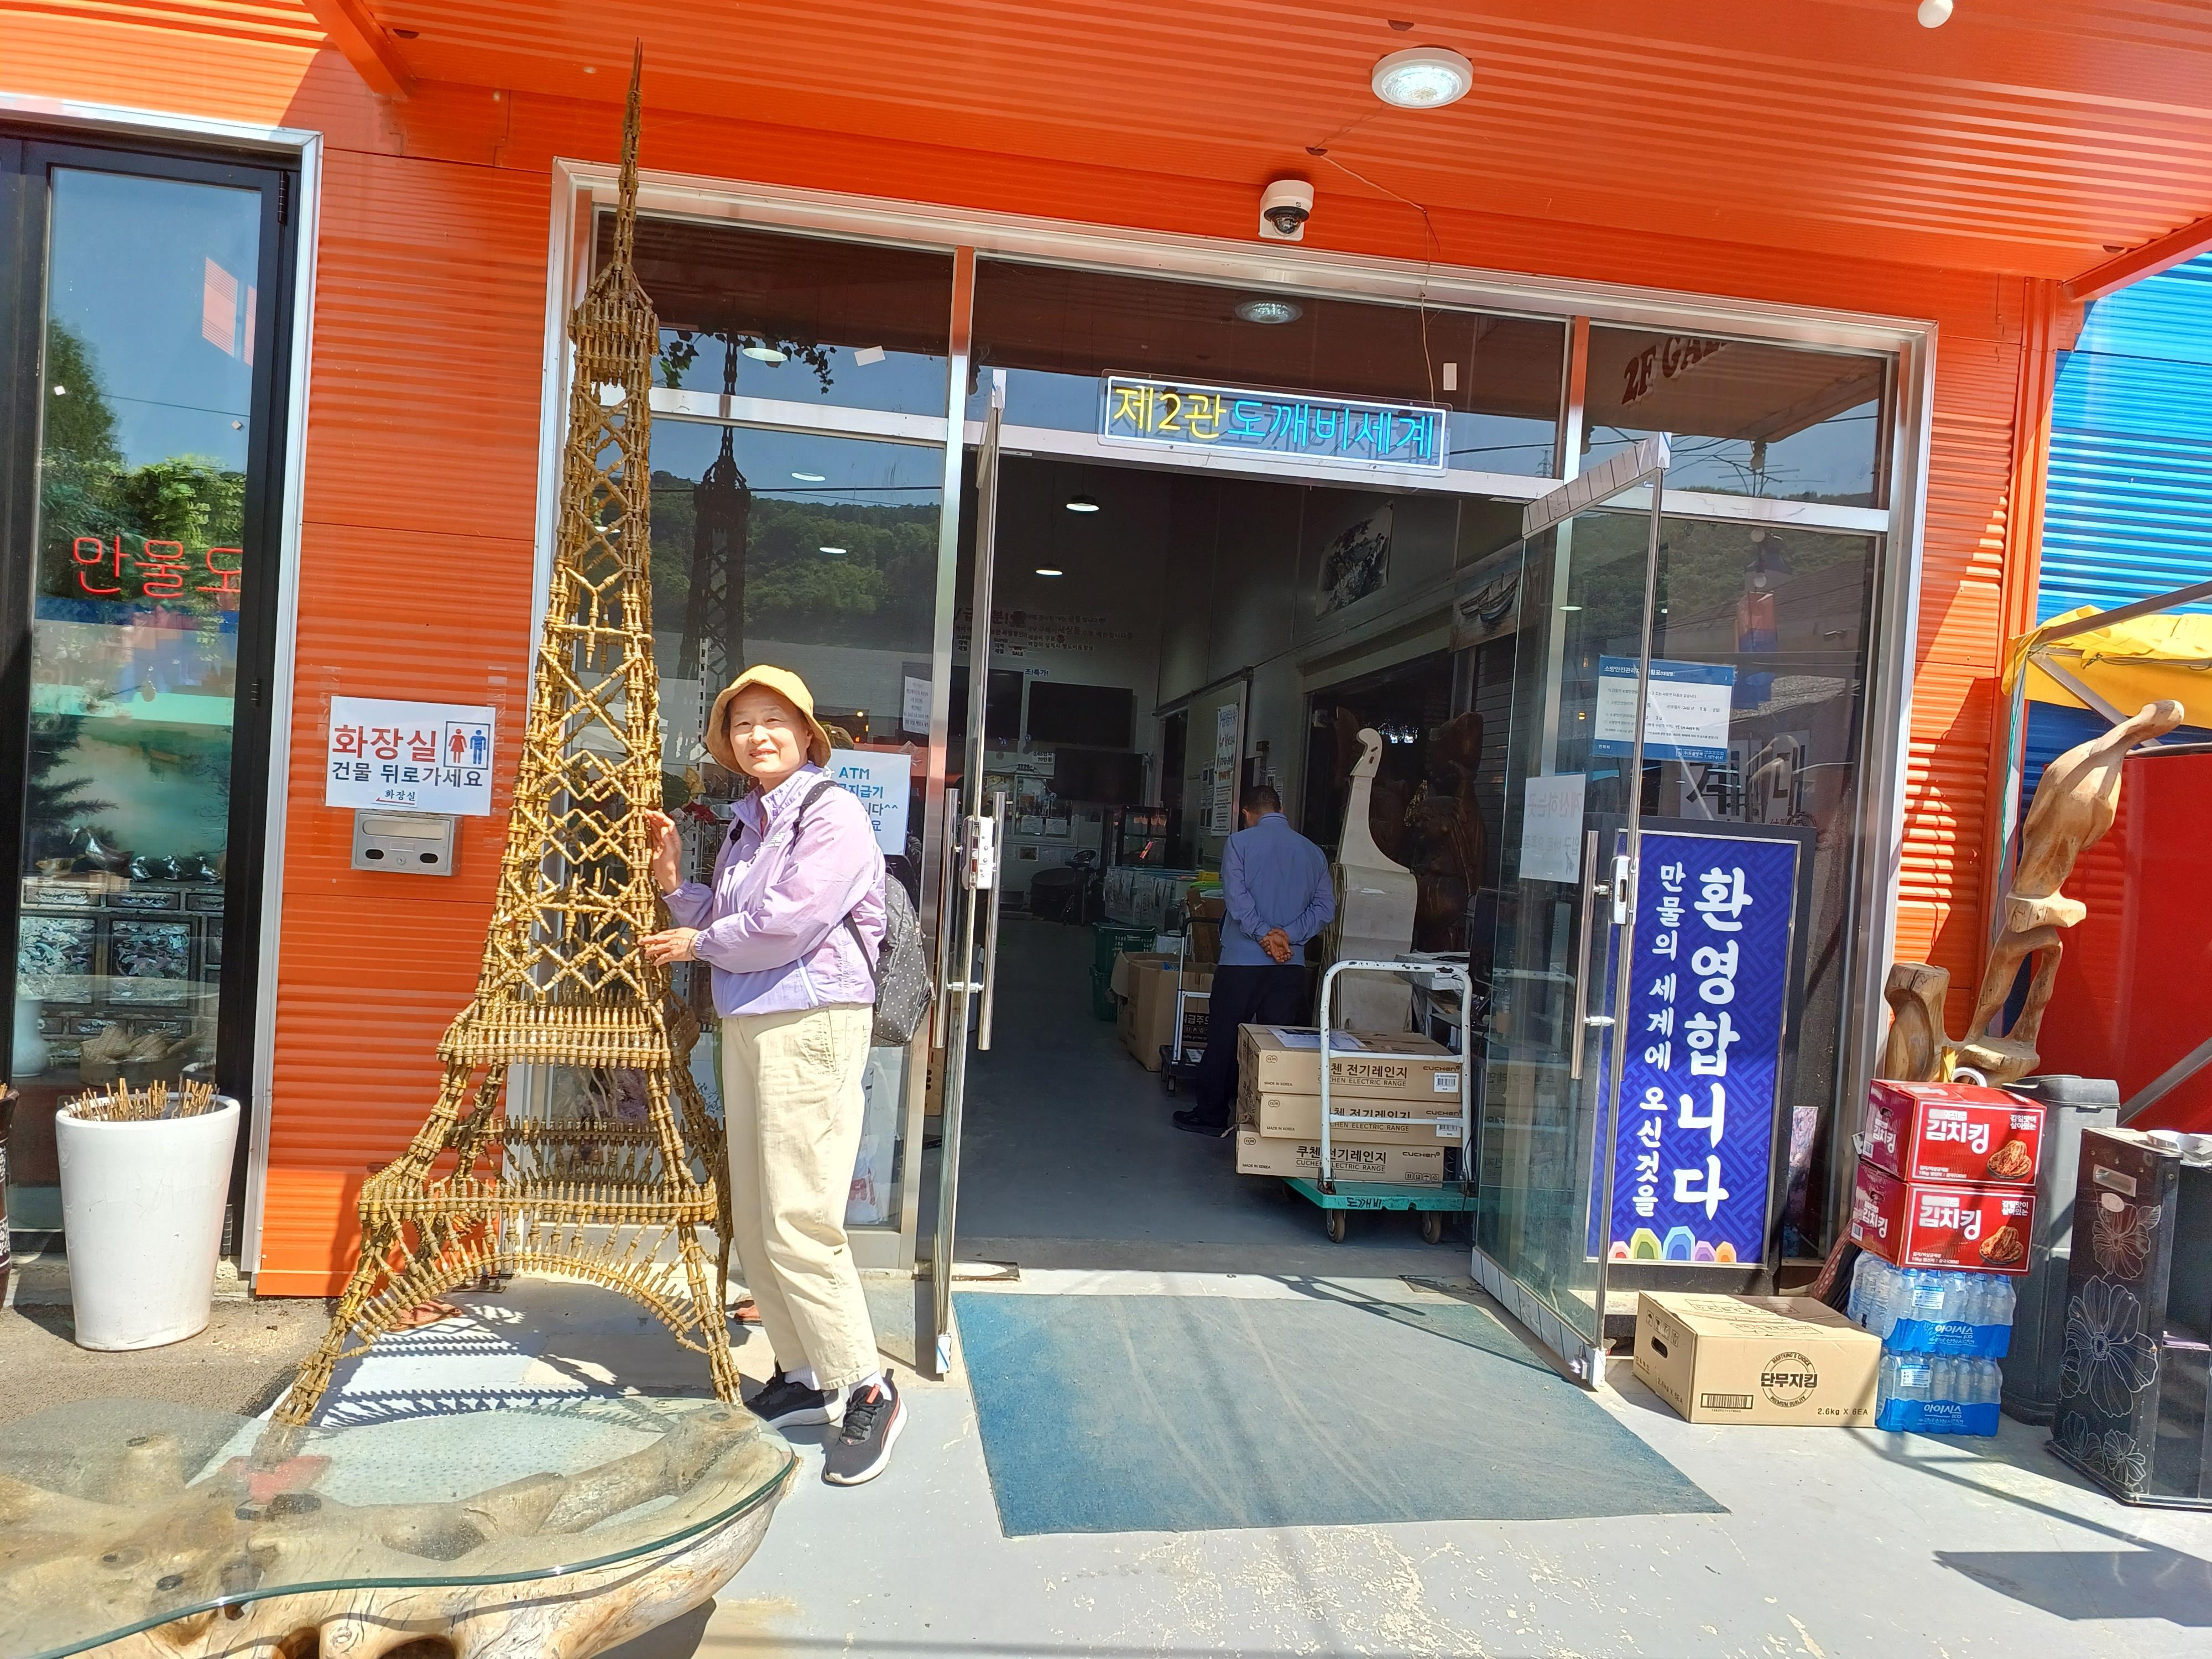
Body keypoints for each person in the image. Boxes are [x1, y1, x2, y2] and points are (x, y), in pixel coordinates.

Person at [639, 665, 905, 1488]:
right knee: (756, 1215)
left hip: (811, 1021)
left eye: (774, 720)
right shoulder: (748, 823)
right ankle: (803, 1373)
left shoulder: (833, 812)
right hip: (753, 1020)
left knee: (799, 1217)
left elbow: (787, 924)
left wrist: (697, 944)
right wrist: (674, 884)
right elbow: (732, 921)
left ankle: (867, 1383)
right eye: (743, 723)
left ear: (806, 733)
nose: (758, 735)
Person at [1173, 785, 1335, 1136]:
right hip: (1289, 965)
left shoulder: (1239, 843)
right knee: (1276, 1044)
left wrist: (1264, 935)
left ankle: (1212, 1114)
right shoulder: (1313, 852)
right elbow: (1325, 908)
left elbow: (1237, 899)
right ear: (1281, 809)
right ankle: (1273, 1122)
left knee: (1225, 1037)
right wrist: (1287, 936)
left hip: (1241, 964)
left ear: (1247, 813)